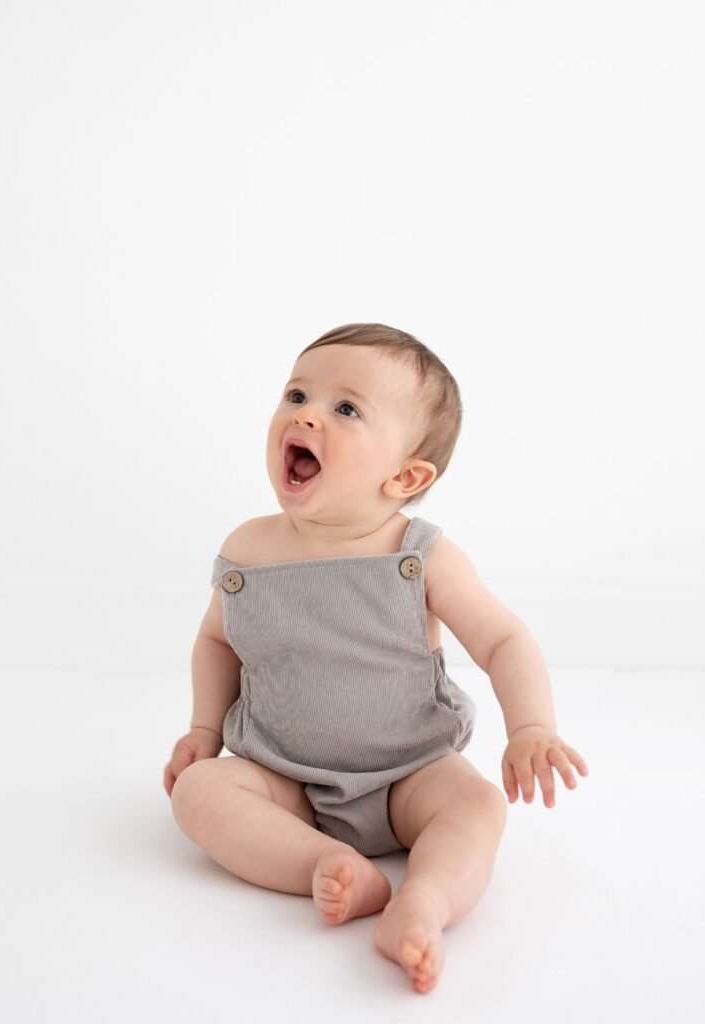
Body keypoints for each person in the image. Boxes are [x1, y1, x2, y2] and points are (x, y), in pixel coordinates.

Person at [163, 322, 589, 995]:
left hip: (408, 775)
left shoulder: (419, 555)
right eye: (296, 393)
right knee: (200, 793)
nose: (304, 413)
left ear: (406, 475)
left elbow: (502, 640)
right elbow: (217, 640)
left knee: (474, 804)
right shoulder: (247, 549)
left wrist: (531, 728)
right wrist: (204, 732)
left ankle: (425, 904)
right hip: (284, 778)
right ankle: (325, 863)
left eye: (345, 408)